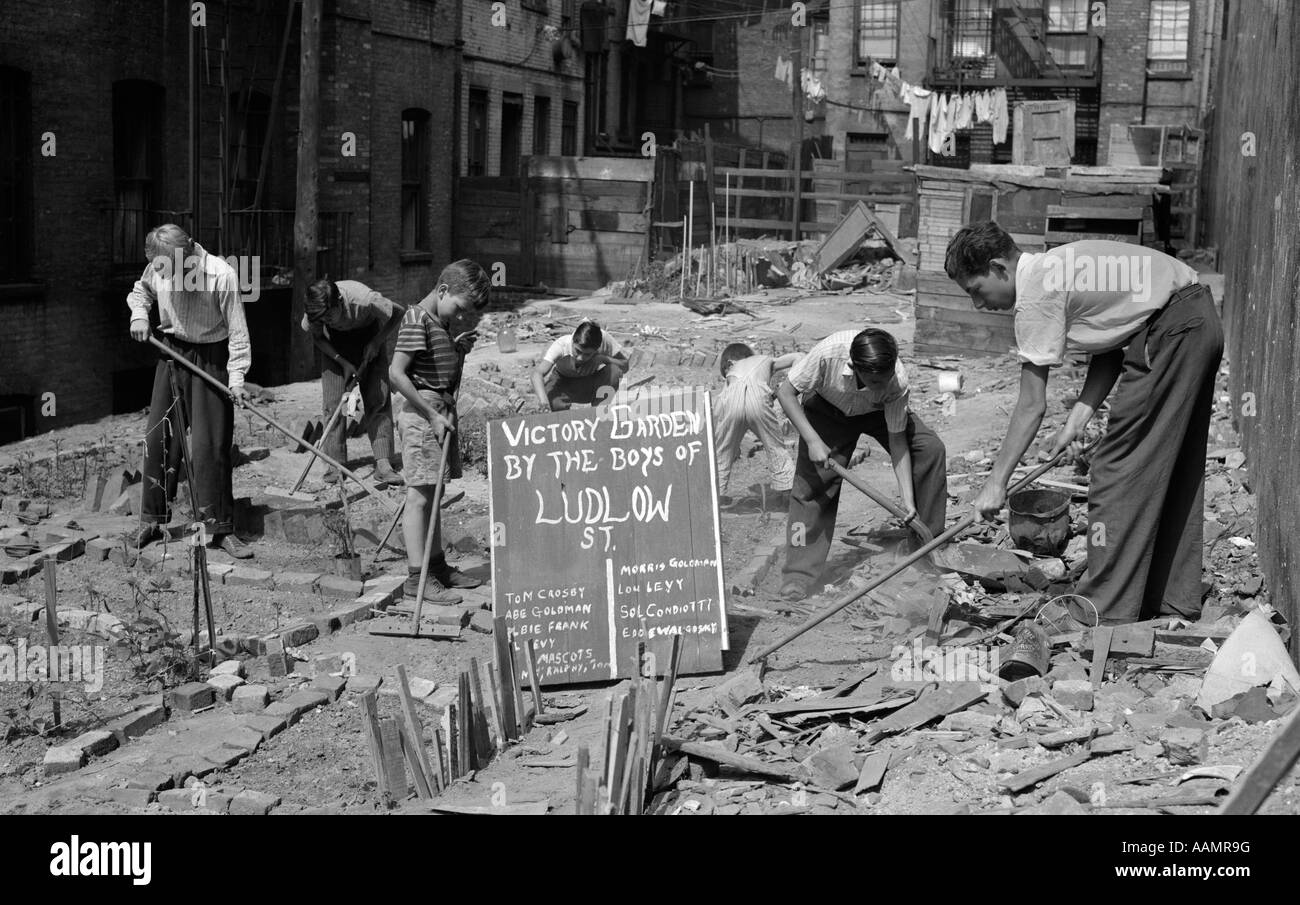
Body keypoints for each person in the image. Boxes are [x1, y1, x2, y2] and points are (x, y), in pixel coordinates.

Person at [945, 221, 1221, 626]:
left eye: (976, 290)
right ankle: (1170, 599)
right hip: (1195, 320)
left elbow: (1030, 405)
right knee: (1170, 469)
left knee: (1116, 472)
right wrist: (1076, 421)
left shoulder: (1035, 293)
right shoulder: (1055, 266)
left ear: (998, 267)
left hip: (1173, 332)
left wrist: (995, 483)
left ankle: (1104, 610)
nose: (978, 304)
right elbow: (1109, 348)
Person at [776, 328, 948, 600]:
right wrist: (812, 440)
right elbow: (786, 392)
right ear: (854, 367)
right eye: (873, 381)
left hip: (876, 414)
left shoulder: (896, 381)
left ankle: (924, 549)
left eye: (885, 380)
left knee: (929, 449)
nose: (881, 386)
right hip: (827, 409)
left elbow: (898, 442)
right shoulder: (828, 353)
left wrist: (907, 500)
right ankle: (798, 575)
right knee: (812, 486)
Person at [126, 224, 253, 559]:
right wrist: (139, 315)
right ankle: (152, 519)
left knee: (209, 447)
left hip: (210, 358)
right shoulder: (160, 264)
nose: (162, 275)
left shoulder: (220, 274)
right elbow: (141, 292)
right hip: (170, 352)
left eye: (169, 269)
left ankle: (219, 526)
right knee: (158, 439)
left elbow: (238, 333)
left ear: (187, 256)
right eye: (158, 269)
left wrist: (236, 379)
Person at [390, 260, 491, 602]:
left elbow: (439, 369)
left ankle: (436, 567)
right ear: (443, 290)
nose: (462, 316)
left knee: (434, 495)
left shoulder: (441, 322)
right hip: (422, 416)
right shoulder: (416, 318)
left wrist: (458, 350)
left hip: (439, 412)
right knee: (418, 498)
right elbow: (397, 373)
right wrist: (430, 414)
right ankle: (417, 579)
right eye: (460, 308)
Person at [301, 279, 405, 486]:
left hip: (368, 339)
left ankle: (383, 465)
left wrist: (376, 342)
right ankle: (335, 464)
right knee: (334, 405)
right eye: (323, 319)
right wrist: (341, 361)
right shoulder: (315, 310)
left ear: (339, 302)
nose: (327, 321)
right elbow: (318, 337)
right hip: (334, 348)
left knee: (378, 399)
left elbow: (399, 312)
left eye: (329, 316)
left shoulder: (365, 300)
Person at [712, 342, 800, 506]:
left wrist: (728, 440)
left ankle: (715, 496)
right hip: (758, 397)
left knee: (721, 452)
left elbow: (718, 411)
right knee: (775, 447)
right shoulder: (764, 360)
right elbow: (798, 357)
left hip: (728, 402)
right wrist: (789, 385)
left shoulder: (731, 376)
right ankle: (788, 492)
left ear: (730, 363)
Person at [531, 320, 628, 411]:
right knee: (553, 402)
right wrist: (544, 402)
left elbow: (625, 366)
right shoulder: (561, 345)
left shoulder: (605, 340)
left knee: (614, 371)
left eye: (588, 354)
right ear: (573, 341)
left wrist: (602, 358)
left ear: (597, 348)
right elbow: (537, 374)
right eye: (577, 351)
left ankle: (598, 413)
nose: (580, 358)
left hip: (590, 383)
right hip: (564, 383)